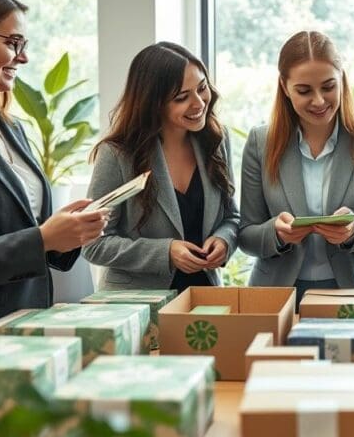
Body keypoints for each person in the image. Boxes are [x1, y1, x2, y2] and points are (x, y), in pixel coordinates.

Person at [0, 0, 107, 319]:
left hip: (24, 329)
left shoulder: (11, 128)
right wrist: (42, 239)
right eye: (12, 42)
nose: (23, 56)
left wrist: (69, 232)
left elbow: (24, 230)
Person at [238, 30, 354, 304]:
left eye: (329, 87)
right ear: (285, 87)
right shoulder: (261, 143)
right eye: (304, 90)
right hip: (276, 293)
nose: (319, 101)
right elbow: (247, 235)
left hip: (353, 293)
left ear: (342, 81)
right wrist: (277, 233)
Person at [82, 42, 239, 291]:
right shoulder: (117, 153)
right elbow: (93, 244)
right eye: (181, 97)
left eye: (202, 88)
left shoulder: (216, 140)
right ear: (153, 103)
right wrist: (165, 252)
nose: (199, 103)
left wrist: (224, 240)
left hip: (204, 296)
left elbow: (231, 217)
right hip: (136, 305)